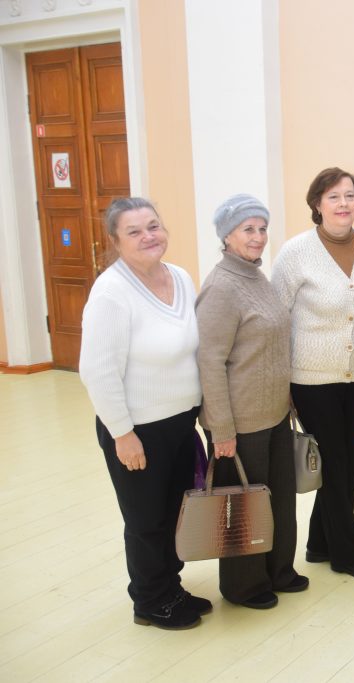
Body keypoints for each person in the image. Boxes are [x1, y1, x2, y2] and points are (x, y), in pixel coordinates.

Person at [80, 197, 209, 630]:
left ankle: (171, 588)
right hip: (137, 429)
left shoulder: (181, 278)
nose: (148, 236)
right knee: (145, 520)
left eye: (153, 226)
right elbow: (97, 371)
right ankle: (150, 601)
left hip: (179, 423)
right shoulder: (111, 292)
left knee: (174, 512)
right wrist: (123, 433)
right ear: (115, 242)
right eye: (134, 232)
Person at [272, 168, 354, 580]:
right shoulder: (295, 252)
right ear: (317, 204)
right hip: (310, 379)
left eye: (349, 196)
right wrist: (281, 382)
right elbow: (276, 320)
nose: (343, 204)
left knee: (348, 458)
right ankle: (348, 553)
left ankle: (320, 541)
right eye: (333, 196)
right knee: (338, 463)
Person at [196, 194, 308, 610]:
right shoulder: (221, 287)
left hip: (273, 415)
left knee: (279, 500)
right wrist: (221, 430)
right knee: (244, 507)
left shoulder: (256, 276)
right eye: (248, 229)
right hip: (240, 423)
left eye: (262, 228)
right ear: (227, 236)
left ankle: (278, 571)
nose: (258, 237)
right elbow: (209, 361)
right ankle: (243, 586)